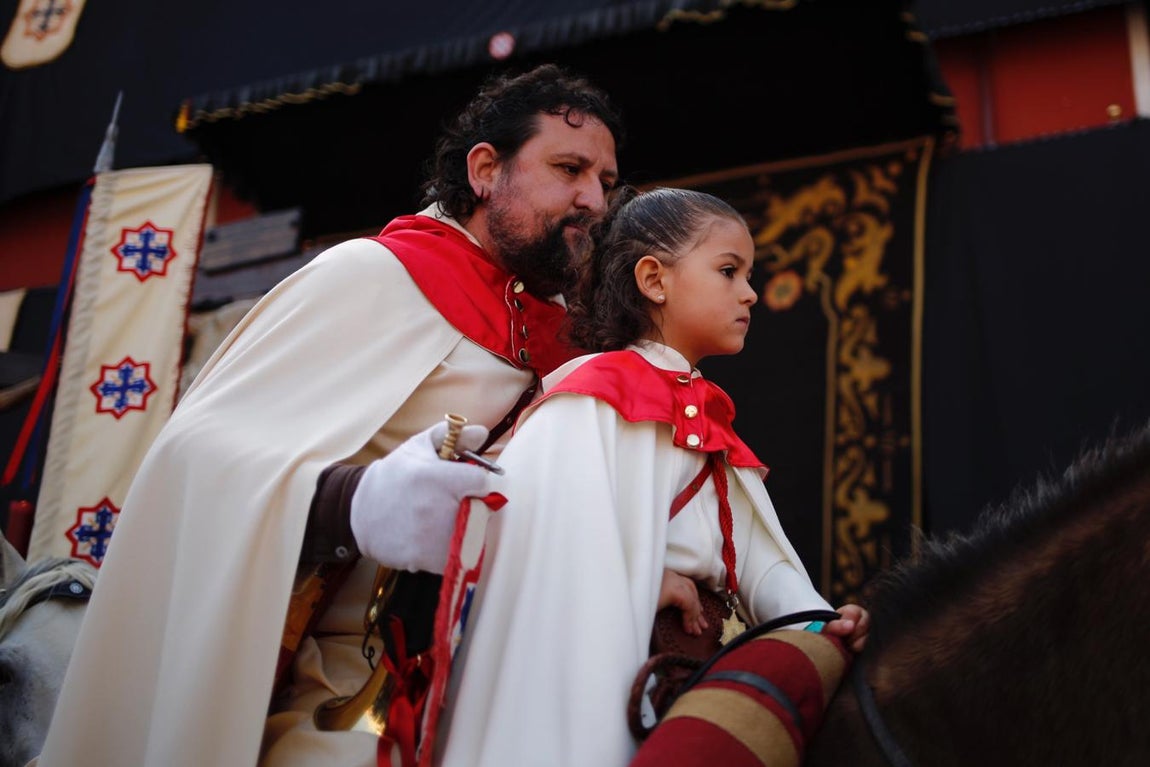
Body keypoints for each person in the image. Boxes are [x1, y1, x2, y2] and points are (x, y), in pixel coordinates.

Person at [36, 63, 624, 767]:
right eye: (568, 168)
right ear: (486, 170)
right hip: (320, 691)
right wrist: (359, 502)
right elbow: (190, 459)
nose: (592, 198)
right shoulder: (371, 276)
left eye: (607, 183)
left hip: (498, 682)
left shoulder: (573, 341)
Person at [433, 187, 870, 766]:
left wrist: (820, 623)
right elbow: (544, 542)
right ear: (654, 279)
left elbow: (759, 562)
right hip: (614, 673)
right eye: (728, 270)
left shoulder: (705, 410)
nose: (750, 293)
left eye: (747, 274)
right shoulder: (592, 392)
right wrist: (644, 581)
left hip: (687, 676)